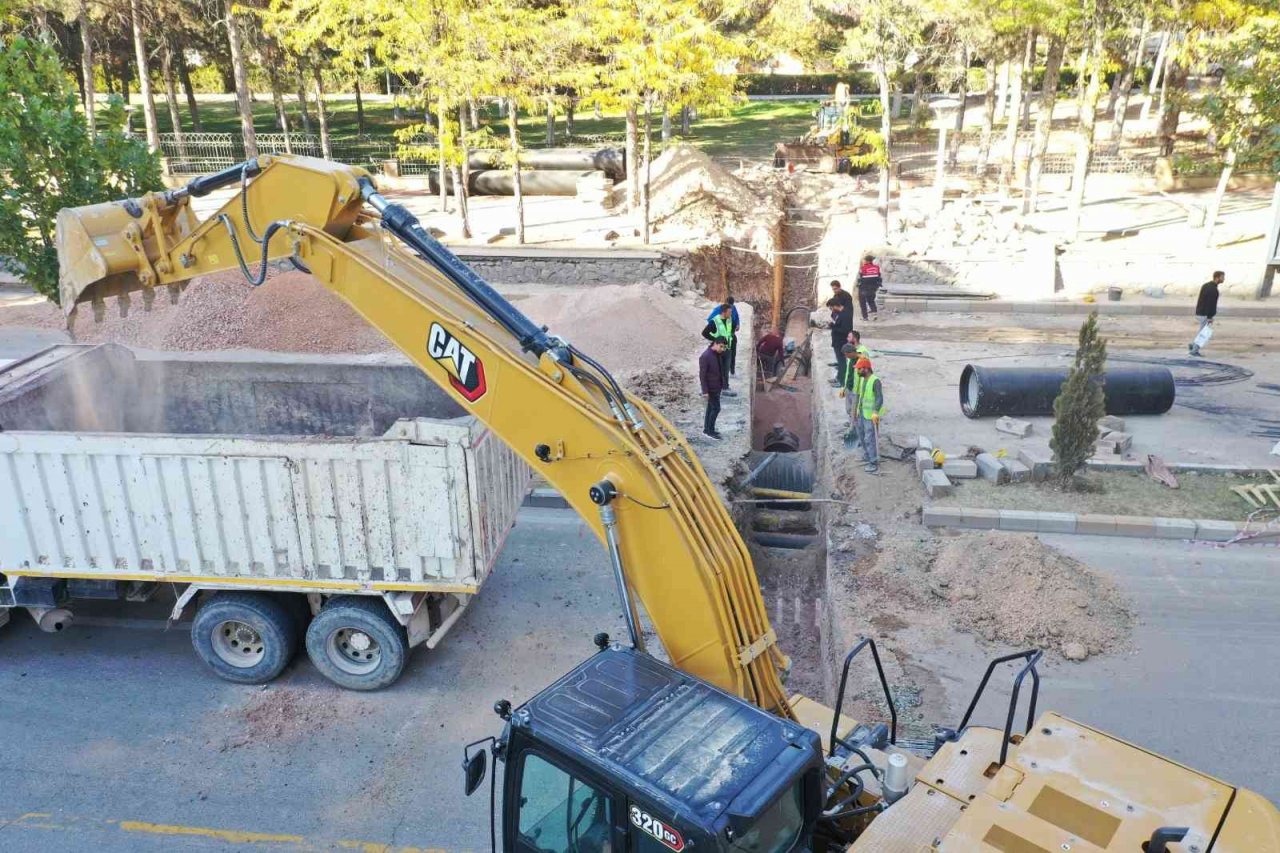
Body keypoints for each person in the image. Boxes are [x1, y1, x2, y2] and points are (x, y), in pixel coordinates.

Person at [852, 357, 885, 473]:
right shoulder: (863, 379)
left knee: (870, 439)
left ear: (866, 369)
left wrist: (876, 411)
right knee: (861, 435)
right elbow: (862, 396)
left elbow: (879, 398)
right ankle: (867, 455)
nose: (857, 371)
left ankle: (873, 462)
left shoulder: (875, 381)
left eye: (859, 369)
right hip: (862, 413)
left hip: (871, 415)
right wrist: (856, 410)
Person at [700, 303, 737, 396]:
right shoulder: (714, 322)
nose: (731, 314)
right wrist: (715, 340)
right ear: (723, 312)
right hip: (718, 350)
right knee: (716, 370)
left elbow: (732, 330)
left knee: (726, 369)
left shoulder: (730, 320)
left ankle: (725, 387)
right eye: (729, 312)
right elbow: (704, 333)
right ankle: (712, 388)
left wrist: (730, 337)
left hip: (727, 348)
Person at [1190, 271, 1223, 357]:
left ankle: (1193, 345)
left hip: (1200, 312)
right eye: (1222, 277)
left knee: (1202, 331)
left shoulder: (1206, 285)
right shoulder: (1214, 290)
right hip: (1205, 314)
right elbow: (1210, 304)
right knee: (1204, 333)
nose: (1223, 279)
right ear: (1217, 278)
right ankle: (1194, 350)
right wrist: (1210, 317)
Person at [826, 281, 854, 385]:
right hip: (838, 341)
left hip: (841, 341)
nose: (831, 310)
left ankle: (841, 381)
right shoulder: (840, 313)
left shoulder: (845, 314)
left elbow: (845, 330)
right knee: (841, 361)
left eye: (831, 307)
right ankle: (839, 377)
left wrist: (833, 327)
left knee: (842, 362)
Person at [699, 339, 727, 440]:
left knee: (710, 408)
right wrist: (705, 391)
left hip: (716, 386)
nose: (722, 349)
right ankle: (709, 431)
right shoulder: (705, 356)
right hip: (711, 388)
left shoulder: (716, 354)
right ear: (715, 344)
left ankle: (708, 429)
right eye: (721, 346)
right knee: (716, 408)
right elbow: (702, 375)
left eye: (724, 347)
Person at [706, 296, 741, 376]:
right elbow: (710, 319)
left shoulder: (733, 308)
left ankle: (732, 370)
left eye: (731, 306)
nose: (731, 309)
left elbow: (737, 317)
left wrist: (738, 324)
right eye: (729, 306)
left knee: (733, 353)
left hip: (731, 335)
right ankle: (722, 374)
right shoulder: (718, 309)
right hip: (721, 338)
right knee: (722, 356)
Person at [855, 254, 882, 321]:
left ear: (867, 261)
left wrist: (858, 285)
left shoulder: (863, 268)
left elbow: (860, 276)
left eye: (865, 260)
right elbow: (878, 275)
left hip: (864, 287)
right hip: (873, 287)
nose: (864, 261)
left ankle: (865, 317)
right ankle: (874, 314)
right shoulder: (877, 267)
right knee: (871, 300)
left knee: (862, 302)